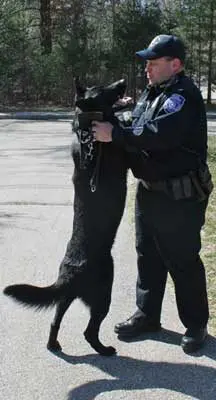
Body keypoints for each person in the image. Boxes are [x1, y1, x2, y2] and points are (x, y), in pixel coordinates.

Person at [92, 34, 213, 353]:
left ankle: (196, 324)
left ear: (175, 65)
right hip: (149, 192)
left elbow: (158, 135)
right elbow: (139, 123)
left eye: (153, 63)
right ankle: (148, 315)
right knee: (148, 256)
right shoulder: (152, 92)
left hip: (179, 196)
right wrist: (116, 117)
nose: (147, 68)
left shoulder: (183, 95)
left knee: (182, 260)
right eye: (146, 62)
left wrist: (115, 133)